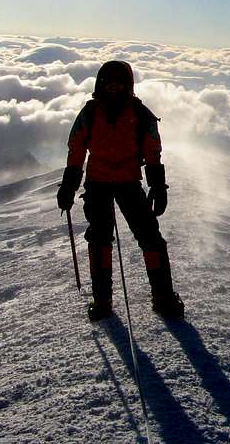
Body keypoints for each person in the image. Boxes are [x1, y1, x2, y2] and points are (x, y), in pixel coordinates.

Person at [56, 59, 184, 320]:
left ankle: (157, 297)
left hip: (119, 182)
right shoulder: (103, 113)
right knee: (106, 240)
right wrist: (69, 184)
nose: (113, 88)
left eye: (118, 84)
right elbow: (77, 149)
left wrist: (158, 185)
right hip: (105, 183)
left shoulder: (121, 114)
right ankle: (111, 300)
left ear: (127, 86)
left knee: (146, 239)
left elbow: (152, 151)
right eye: (109, 83)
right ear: (101, 85)